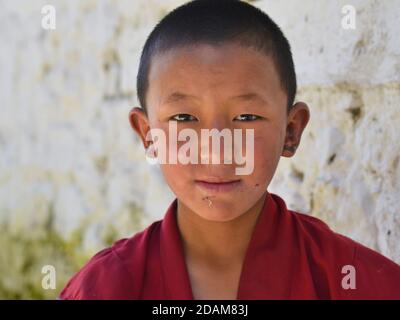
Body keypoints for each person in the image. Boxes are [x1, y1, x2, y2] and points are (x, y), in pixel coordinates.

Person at [59, 0, 400, 299]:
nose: (216, 150)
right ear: (148, 135)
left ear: (291, 130)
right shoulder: (105, 289)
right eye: (183, 117)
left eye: (247, 116)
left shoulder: (356, 283)